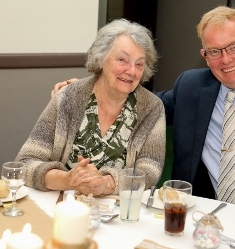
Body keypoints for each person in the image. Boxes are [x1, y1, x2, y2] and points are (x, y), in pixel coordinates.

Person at [52, 6, 235, 242]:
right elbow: (140, 106)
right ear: (204, 56)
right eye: (214, 51)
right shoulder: (192, 87)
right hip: (219, 226)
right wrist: (90, 88)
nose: (226, 59)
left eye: (234, 47)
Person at [17, 19, 166, 197]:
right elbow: (25, 163)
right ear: (101, 59)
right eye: (122, 60)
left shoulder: (151, 107)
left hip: (118, 213)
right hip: (64, 206)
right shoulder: (68, 97)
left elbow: (150, 170)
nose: (132, 71)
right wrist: (68, 180)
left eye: (139, 64)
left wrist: (107, 184)